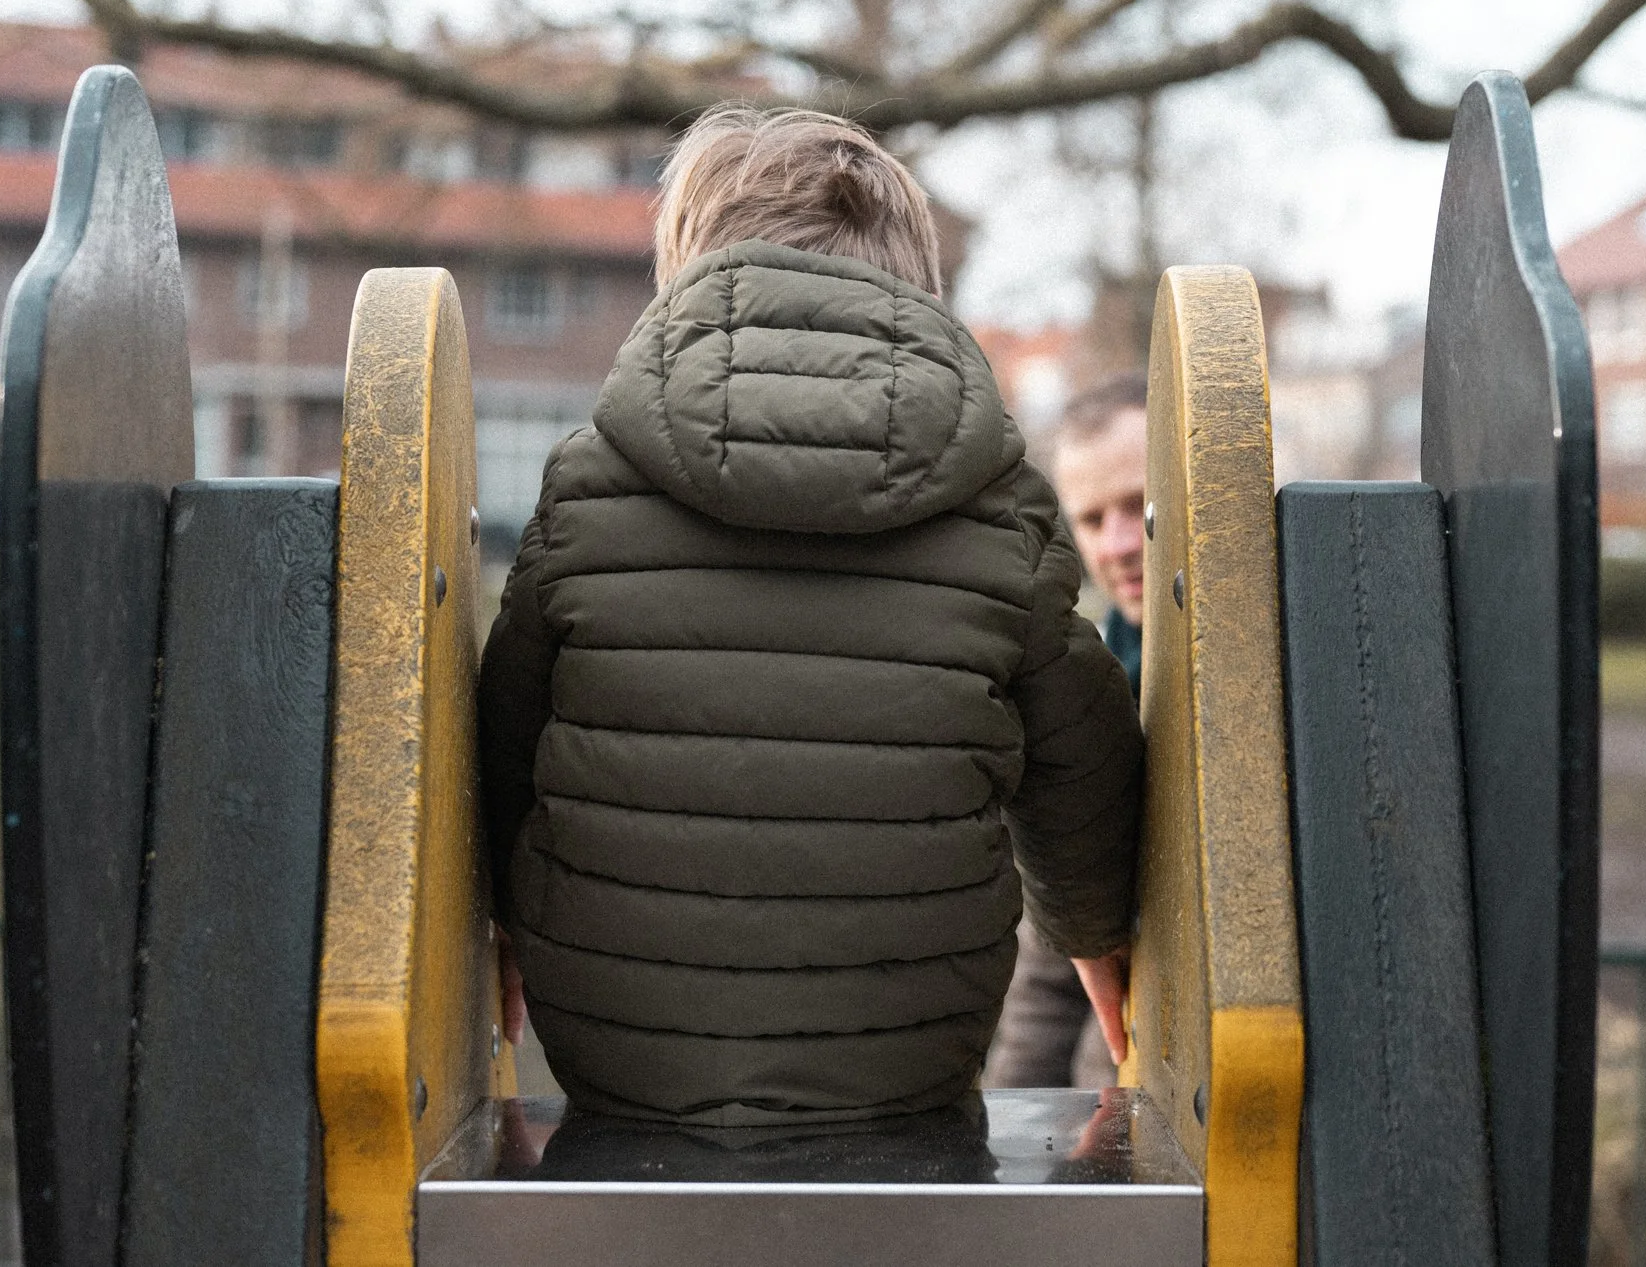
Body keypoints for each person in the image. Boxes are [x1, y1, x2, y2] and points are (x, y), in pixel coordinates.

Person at [477, 106, 1145, 1127]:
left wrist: (499, 921)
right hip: (910, 1055)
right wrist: (1096, 934)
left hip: (619, 1046)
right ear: (913, 281)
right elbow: (1082, 765)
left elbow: (505, 738)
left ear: (686, 268)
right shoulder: (996, 499)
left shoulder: (592, 484)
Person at [983, 372, 1147, 1090]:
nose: (1116, 544)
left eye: (1140, 506)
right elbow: (1049, 979)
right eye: (1091, 518)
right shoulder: (1083, 695)